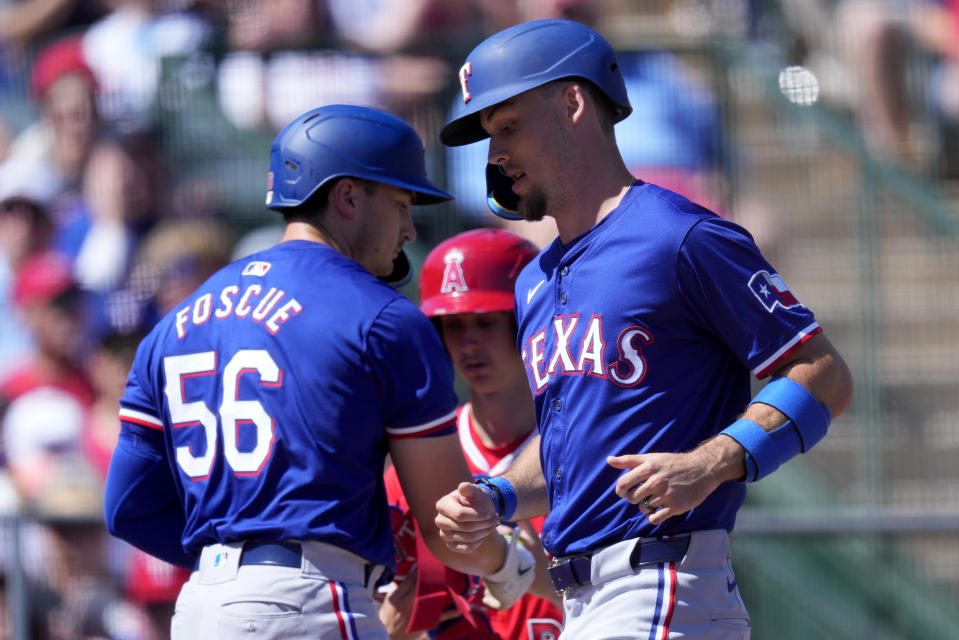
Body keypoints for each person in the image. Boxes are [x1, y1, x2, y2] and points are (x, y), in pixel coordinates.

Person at [434, 18, 855, 639]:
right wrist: (494, 497)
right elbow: (567, 453)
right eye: (490, 135)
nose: (494, 154)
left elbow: (824, 376)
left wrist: (713, 461)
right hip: (583, 600)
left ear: (573, 102)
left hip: (661, 584)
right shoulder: (534, 280)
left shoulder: (679, 235)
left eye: (509, 125)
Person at [102, 104, 535, 639]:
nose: (407, 228)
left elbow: (127, 508)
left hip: (199, 608)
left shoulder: (173, 325)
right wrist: (509, 564)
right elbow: (447, 526)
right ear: (348, 195)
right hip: (309, 602)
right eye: (400, 203)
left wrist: (237, 565)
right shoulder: (382, 317)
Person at [379, 228, 563, 640]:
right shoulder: (420, 463)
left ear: (528, 323)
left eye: (486, 322)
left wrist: (521, 570)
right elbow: (388, 613)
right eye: (452, 324)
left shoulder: (582, 447)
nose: (468, 343)